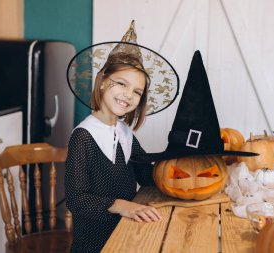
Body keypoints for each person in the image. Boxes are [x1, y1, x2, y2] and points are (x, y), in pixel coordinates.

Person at [65, 21, 179, 252]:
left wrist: (180, 163)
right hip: (94, 241)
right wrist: (120, 205)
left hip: (126, 230)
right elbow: (76, 200)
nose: (128, 95)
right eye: (121, 84)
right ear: (104, 81)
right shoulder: (84, 136)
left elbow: (147, 175)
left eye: (137, 92)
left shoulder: (124, 132)